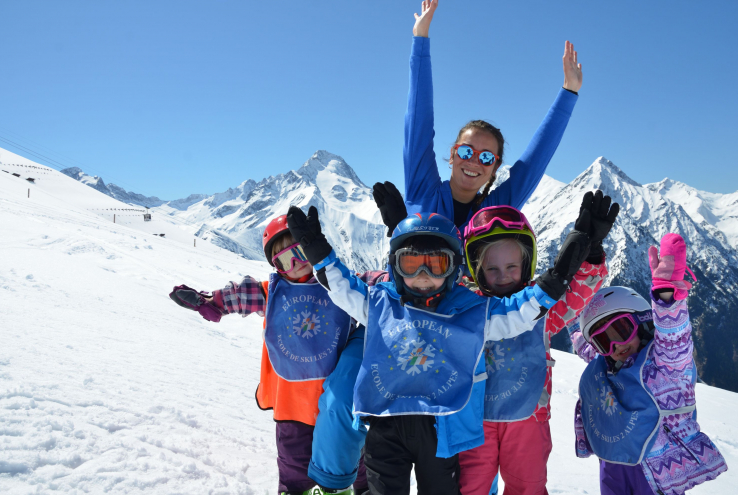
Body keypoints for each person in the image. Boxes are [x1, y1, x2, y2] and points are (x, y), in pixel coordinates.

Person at [285, 202, 592, 495]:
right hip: (386, 425)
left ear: (455, 268)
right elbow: (343, 289)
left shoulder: (469, 312)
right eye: (411, 264)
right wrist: (319, 253)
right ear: (395, 267)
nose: (423, 277)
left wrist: (559, 274)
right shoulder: (380, 304)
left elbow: (518, 313)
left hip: (442, 428)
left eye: (436, 264)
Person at [169, 214, 370, 495]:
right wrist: (209, 301)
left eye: (300, 252)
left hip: (339, 409)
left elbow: (372, 287)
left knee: (356, 469)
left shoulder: (339, 285)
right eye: (283, 261)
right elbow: (240, 295)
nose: (295, 265)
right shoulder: (272, 293)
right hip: (292, 409)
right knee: (295, 474)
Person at [456, 191, 618, 495]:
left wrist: (591, 252)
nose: (502, 276)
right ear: (476, 269)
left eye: (511, 267)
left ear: (527, 263)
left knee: (527, 486)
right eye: (491, 268)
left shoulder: (540, 306)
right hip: (475, 419)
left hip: (529, 417)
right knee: (470, 487)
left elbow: (576, 295)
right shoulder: (466, 305)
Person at [405, 0, 583, 231]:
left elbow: (534, 162)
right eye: (467, 151)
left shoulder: (494, 213)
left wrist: (569, 91)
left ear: (495, 168)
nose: (474, 161)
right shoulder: (423, 189)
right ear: (452, 154)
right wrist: (421, 38)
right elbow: (418, 121)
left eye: (486, 158)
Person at [570, 233, 728, 494]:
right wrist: (571, 314)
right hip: (614, 461)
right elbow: (585, 345)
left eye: (620, 330)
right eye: (603, 341)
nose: (616, 346)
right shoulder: (608, 361)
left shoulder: (667, 364)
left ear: (643, 322)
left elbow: (674, 336)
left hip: (658, 468)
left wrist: (667, 298)